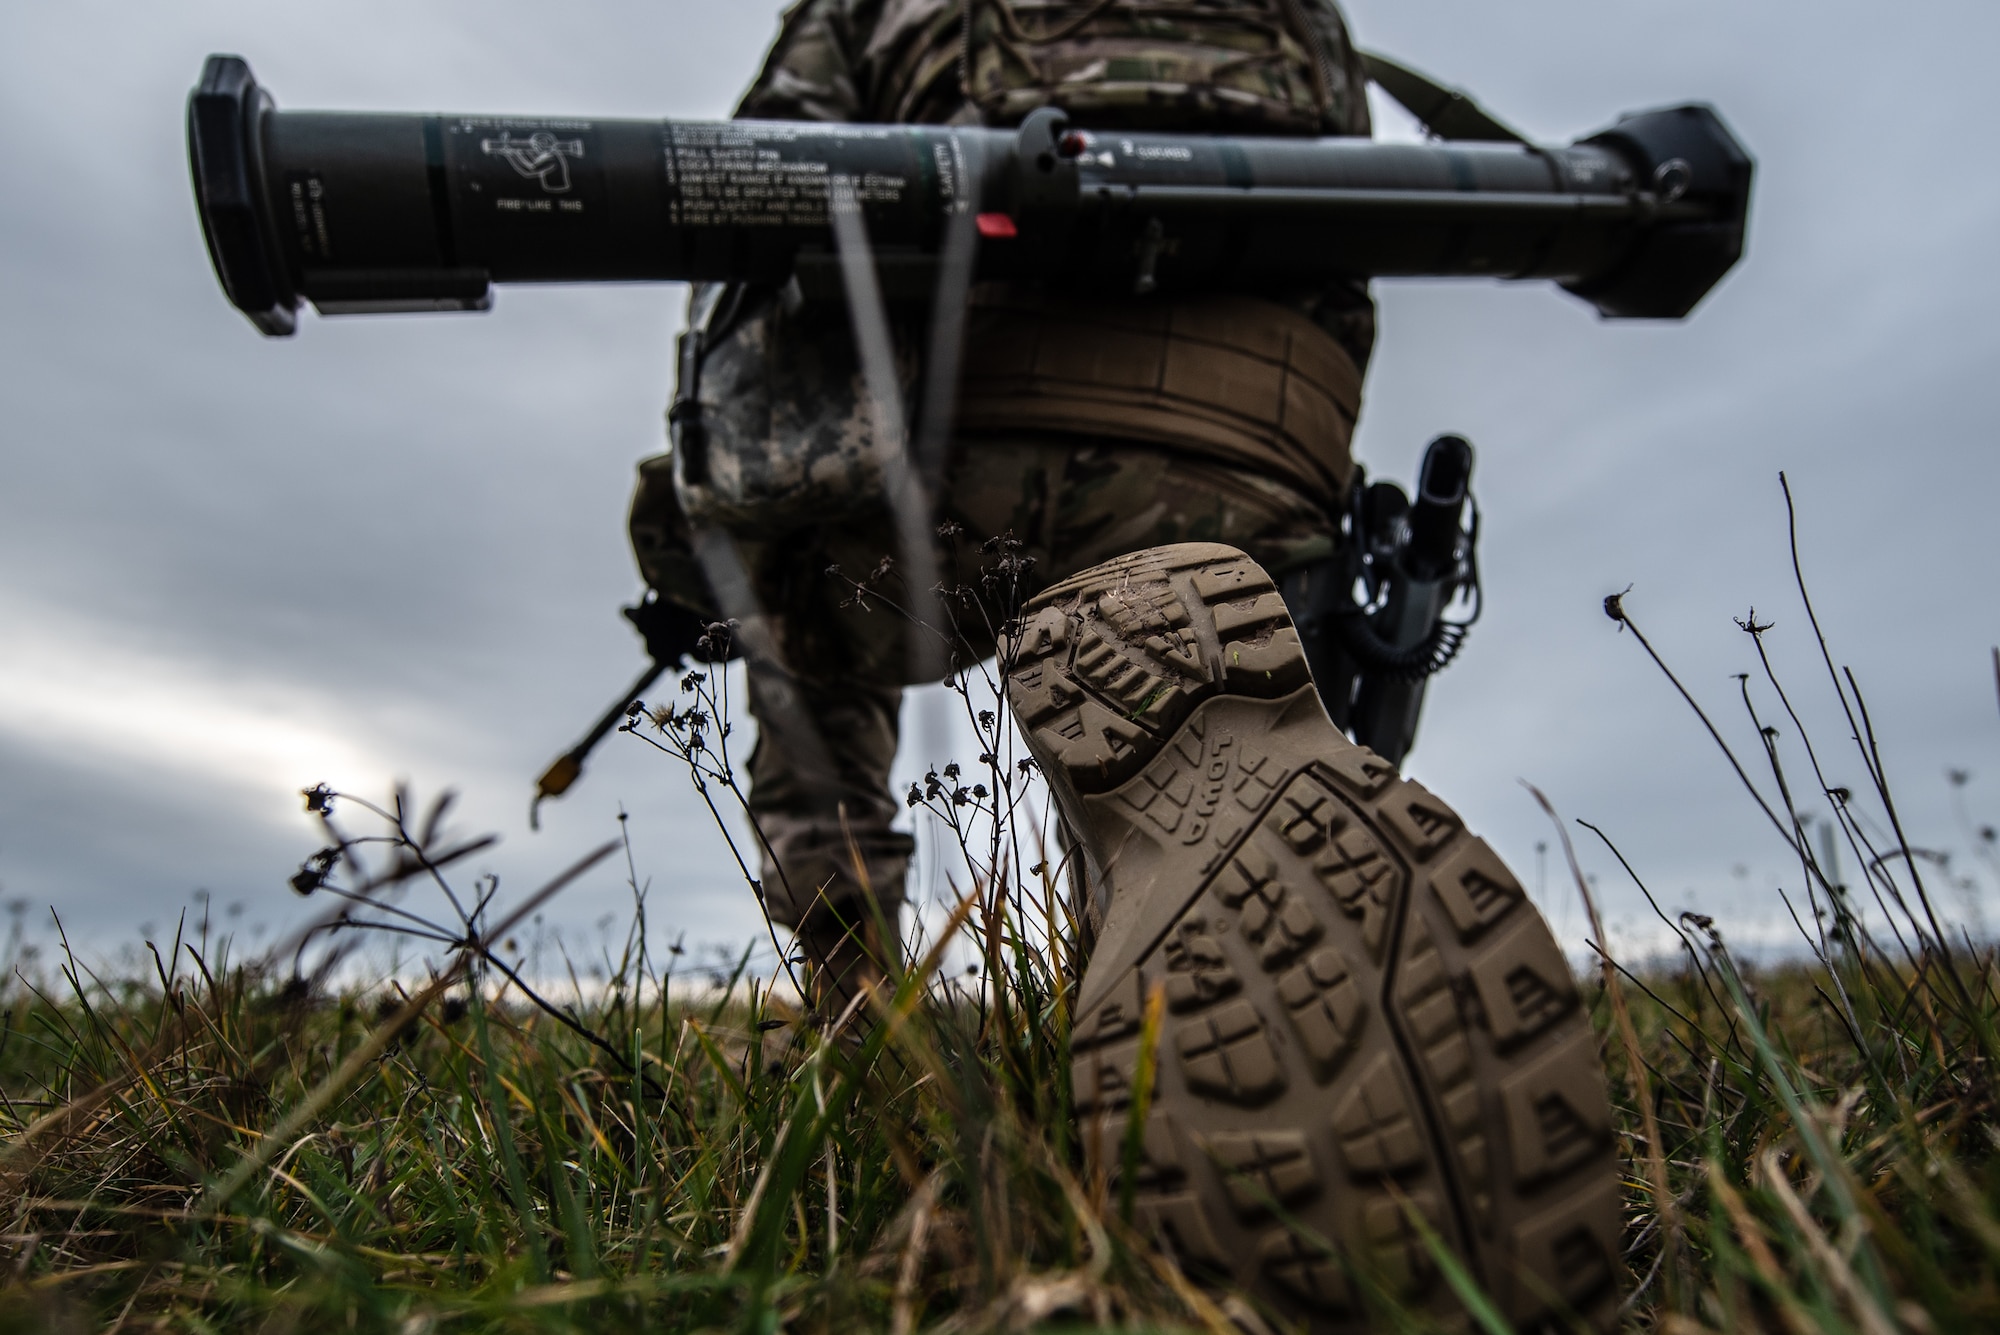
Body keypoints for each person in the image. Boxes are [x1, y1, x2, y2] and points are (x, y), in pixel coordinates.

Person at [626, 4, 1623, 1325]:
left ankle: (856, 1000)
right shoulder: (1298, 13)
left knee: (785, 601)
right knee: (1180, 716)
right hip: (1245, 459)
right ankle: (1152, 983)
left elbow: (767, 183)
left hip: (941, 449)